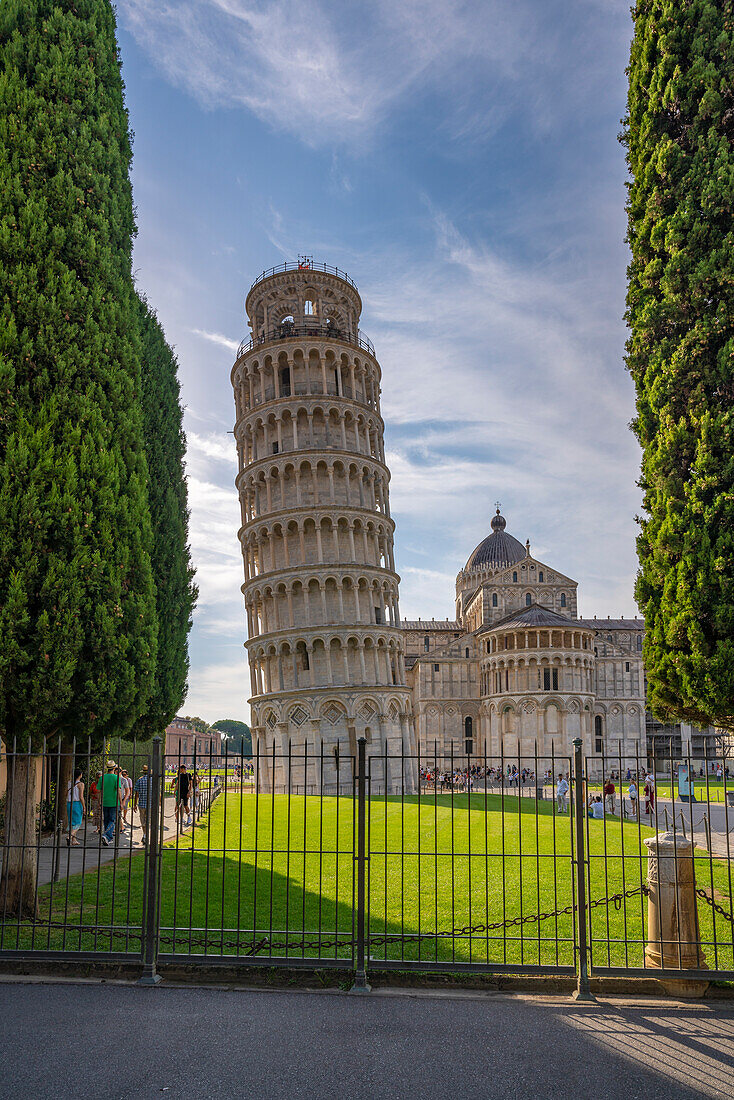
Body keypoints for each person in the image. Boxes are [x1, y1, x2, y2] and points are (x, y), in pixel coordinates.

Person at [100, 762, 123, 846]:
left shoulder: (102, 778)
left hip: (105, 802)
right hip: (114, 802)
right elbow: (119, 791)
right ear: (114, 768)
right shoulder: (116, 778)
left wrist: (100, 801)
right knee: (112, 820)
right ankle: (107, 836)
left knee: (106, 820)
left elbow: (100, 790)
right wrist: (121, 802)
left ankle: (107, 837)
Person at [66, 767, 85, 846]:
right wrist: (84, 806)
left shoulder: (69, 782)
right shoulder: (81, 784)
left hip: (69, 804)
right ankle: (70, 836)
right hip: (77, 804)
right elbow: (81, 797)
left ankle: (74, 840)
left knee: (72, 822)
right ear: (80, 775)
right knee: (78, 823)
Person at [134, 765, 151, 841]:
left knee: (143, 820)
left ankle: (144, 834)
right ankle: (146, 835)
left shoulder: (139, 780)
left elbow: (136, 794)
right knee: (148, 820)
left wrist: (134, 804)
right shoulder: (152, 780)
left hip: (141, 804)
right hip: (150, 804)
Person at [175, 764, 191, 830]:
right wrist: (175, 791)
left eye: (181, 769)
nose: (180, 770)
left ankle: (189, 816)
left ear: (183, 769)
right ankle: (181, 818)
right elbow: (177, 783)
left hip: (185, 792)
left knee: (185, 805)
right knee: (179, 805)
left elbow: (190, 784)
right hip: (180, 792)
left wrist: (189, 792)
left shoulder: (188, 775)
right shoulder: (180, 775)